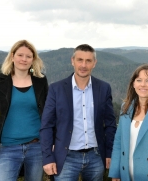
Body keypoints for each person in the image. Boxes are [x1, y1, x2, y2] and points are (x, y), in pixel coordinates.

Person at [40, 44, 117, 181]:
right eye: (80, 60)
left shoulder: (104, 88)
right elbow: (46, 125)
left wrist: (109, 153)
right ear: (72, 61)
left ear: (94, 63)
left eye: (88, 61)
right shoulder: (56, 89)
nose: (83, 65)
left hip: (96, 157)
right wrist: (47, 157)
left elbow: (110, 124)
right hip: (65, 157)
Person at [0, 40, 48, 181]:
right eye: (20, 55)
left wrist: (51, 142)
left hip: (36, 147)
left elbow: (48, 114)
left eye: (28, 56)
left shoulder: (41, 81)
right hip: (7, 147)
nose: (24, 59)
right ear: (12, 56)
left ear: (33, 59)